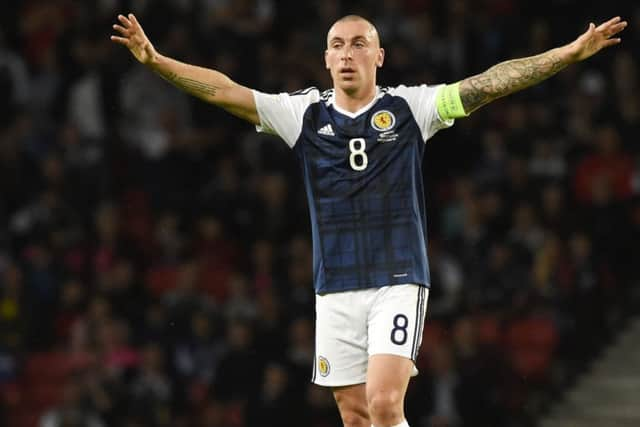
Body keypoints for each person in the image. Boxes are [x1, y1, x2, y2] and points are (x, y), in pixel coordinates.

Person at [111, 12, 626, 427]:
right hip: (334, 286)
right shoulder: (303, 115)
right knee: (355, 416)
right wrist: (154, 61)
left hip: (397, 279)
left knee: (384, 404)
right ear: (326, 59)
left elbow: (489, 83)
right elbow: (223, 90)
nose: (347, 53)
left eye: (359, 43)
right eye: (338, 44)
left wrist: (567, 54)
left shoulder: (412, 108)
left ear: (379, 56)